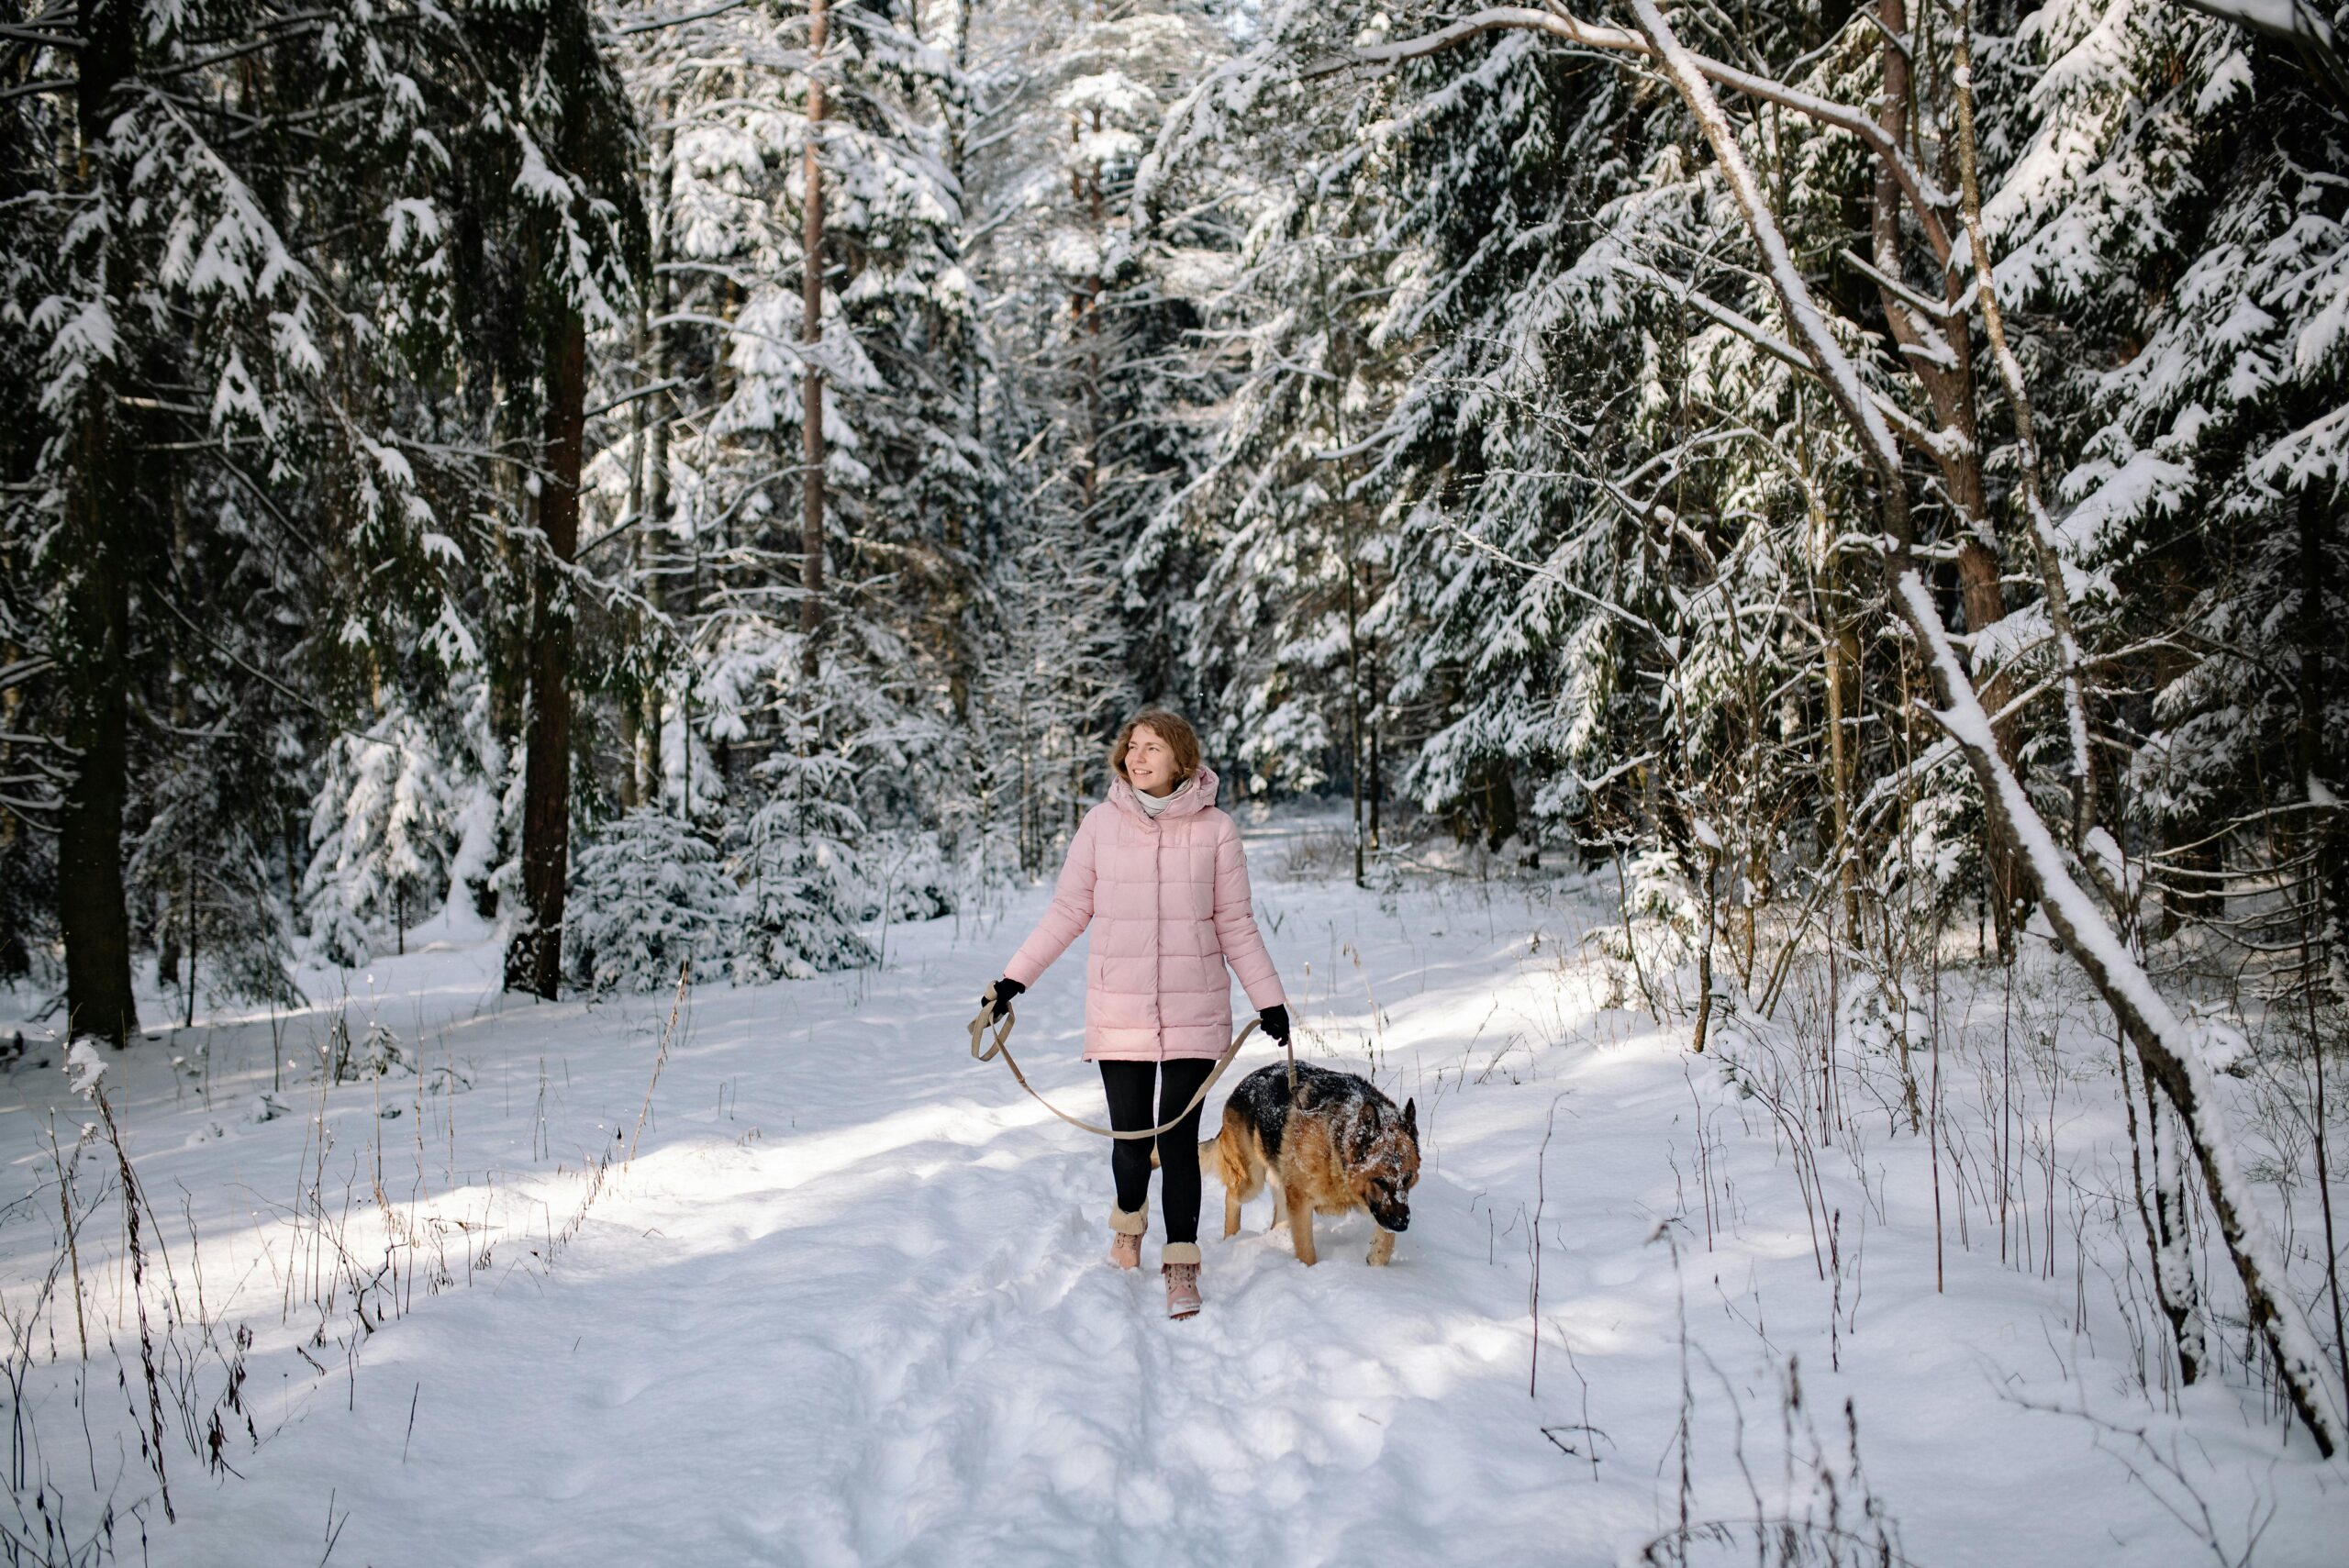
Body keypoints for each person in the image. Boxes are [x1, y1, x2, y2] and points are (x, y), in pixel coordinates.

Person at [983, 709, 1289, 1319]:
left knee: (1177, 1142)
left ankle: (1181, 1261)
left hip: (1194, 1009)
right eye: (1131, 746)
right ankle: (1128, 1225)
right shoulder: (1100, 825)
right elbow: (1068, 909)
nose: (1137, 756)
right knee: (1131, 1139)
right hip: (1118, 1008)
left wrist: (1269, 998)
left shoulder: (1216, 831)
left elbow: (1235, 922)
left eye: (1152, 747)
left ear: (1182, 758)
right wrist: (1013, 978)